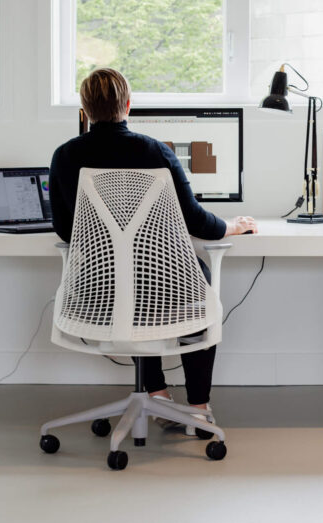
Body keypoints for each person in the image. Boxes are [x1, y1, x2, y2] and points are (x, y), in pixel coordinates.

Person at [50, 67, 256, 432]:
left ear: (85, 110)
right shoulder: (154, 151)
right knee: (196, 287)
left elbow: (66, 230)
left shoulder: (65, 156)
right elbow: (197, 223)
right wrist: (234, 226)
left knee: (126, 284)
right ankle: (197, 408)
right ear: (128, 105)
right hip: (165, 289)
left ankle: (158, 394)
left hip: (97, 292)